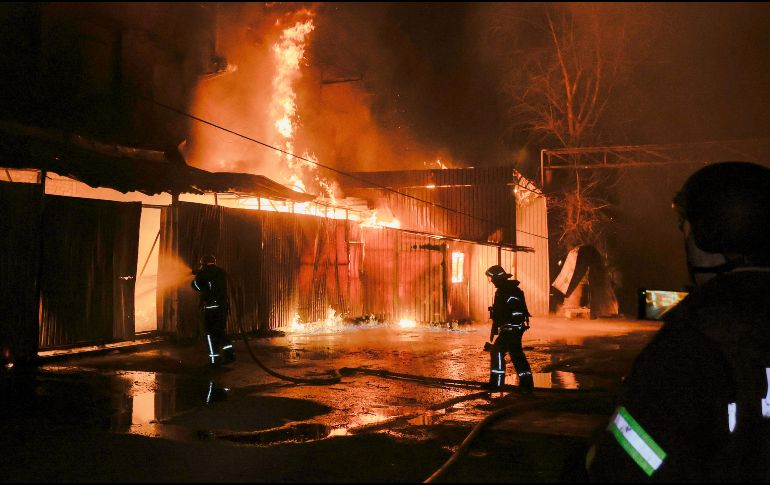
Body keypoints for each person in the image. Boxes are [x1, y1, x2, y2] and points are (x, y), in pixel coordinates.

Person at [585, 161, 770, 482]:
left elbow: (621, 465)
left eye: (685, 228)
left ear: (712, 234)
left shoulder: (690, 342)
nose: (684, 240)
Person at [484, 264, 534, 392]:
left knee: (497, 351)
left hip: (512, 329)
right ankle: (526, 383)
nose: (491, 282)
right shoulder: (503, 290)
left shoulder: (510, 291)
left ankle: (496, 384)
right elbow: (500, 312)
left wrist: (512, 327)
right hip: (511, 329)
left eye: (492, 278)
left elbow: (517, 312)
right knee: (516, 354)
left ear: (497, 278)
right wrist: (495, 328)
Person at [191, 254, 235, 367]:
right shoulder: (220, 272)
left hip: (211, 308)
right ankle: (229, 355)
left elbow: (197, 286)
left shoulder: (203, 273)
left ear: (203, 264)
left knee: (210, 333)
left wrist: (194, 280)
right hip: (223, 307)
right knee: (219, 330)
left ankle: (215, 360)